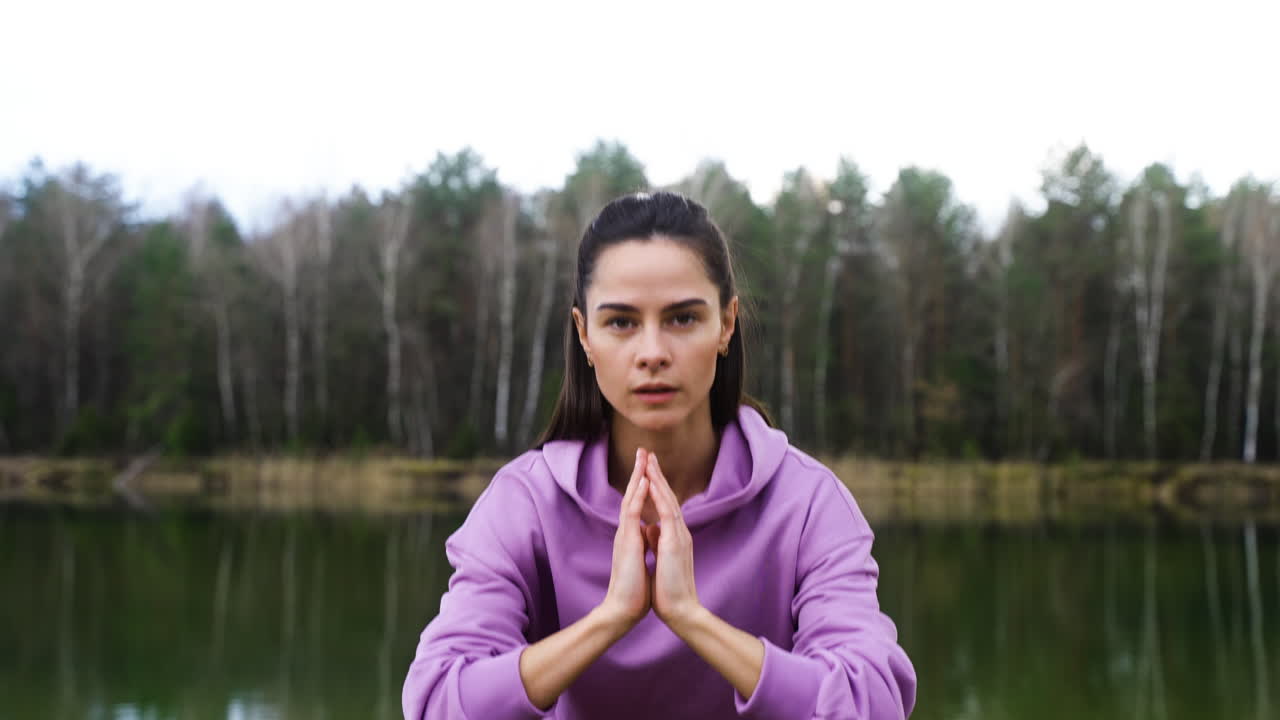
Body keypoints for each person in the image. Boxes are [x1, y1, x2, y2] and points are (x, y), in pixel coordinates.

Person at [402, 191, 916, 719]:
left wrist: (691, 618)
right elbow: (439, 699)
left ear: (726, 324)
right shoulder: (525, 503)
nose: (652, 353)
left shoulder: (807, 503)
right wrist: (610, 618)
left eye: (682, 319)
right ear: (584, 334)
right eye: (621, 322)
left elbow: (872, 702)